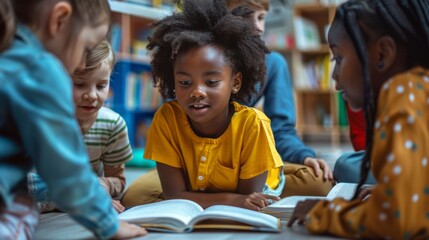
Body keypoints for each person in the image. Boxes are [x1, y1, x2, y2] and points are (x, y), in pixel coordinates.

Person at [0, 0, 146, 239]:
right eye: (85, 47)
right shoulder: (43, 71)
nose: (80, 63)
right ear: (59, 19)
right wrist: (107, 224)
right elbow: (65, 173)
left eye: (101, 84)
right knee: (22, 211)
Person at [125, 0, 286, 210]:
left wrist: (235, 201)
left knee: (314, 183)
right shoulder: (166, 118)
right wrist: (231, 200)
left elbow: (249, 200)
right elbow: (175, 195)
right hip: (202, 189)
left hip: (263, 181)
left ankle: (285, 168)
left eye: (211, 83)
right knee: (132, 198)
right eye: (184, 82)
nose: (197, 92)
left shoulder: (253, 125)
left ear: (235, 82)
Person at [288, 0, 429, 238]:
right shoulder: (418, 87)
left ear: (382, 54)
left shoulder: (403, 95)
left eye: (338, 59)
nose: (334, 76)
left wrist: (325, 212)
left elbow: (397, 221)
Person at [226, 0, 334, 196]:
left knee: (320, 181)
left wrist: (303, 156)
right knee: (153, 190)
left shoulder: (273, 64)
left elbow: (282, 130)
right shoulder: (195, 57)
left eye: (261, 18)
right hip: (197, 164)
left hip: (246, 164)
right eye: (244, 17)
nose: (258, 27)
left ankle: (226, 195)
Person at [28, 40, 132, 213]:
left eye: (101, 86)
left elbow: (118, 180)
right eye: (79, 84)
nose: (92, 95)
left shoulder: (113, 124)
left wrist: (104, 184)